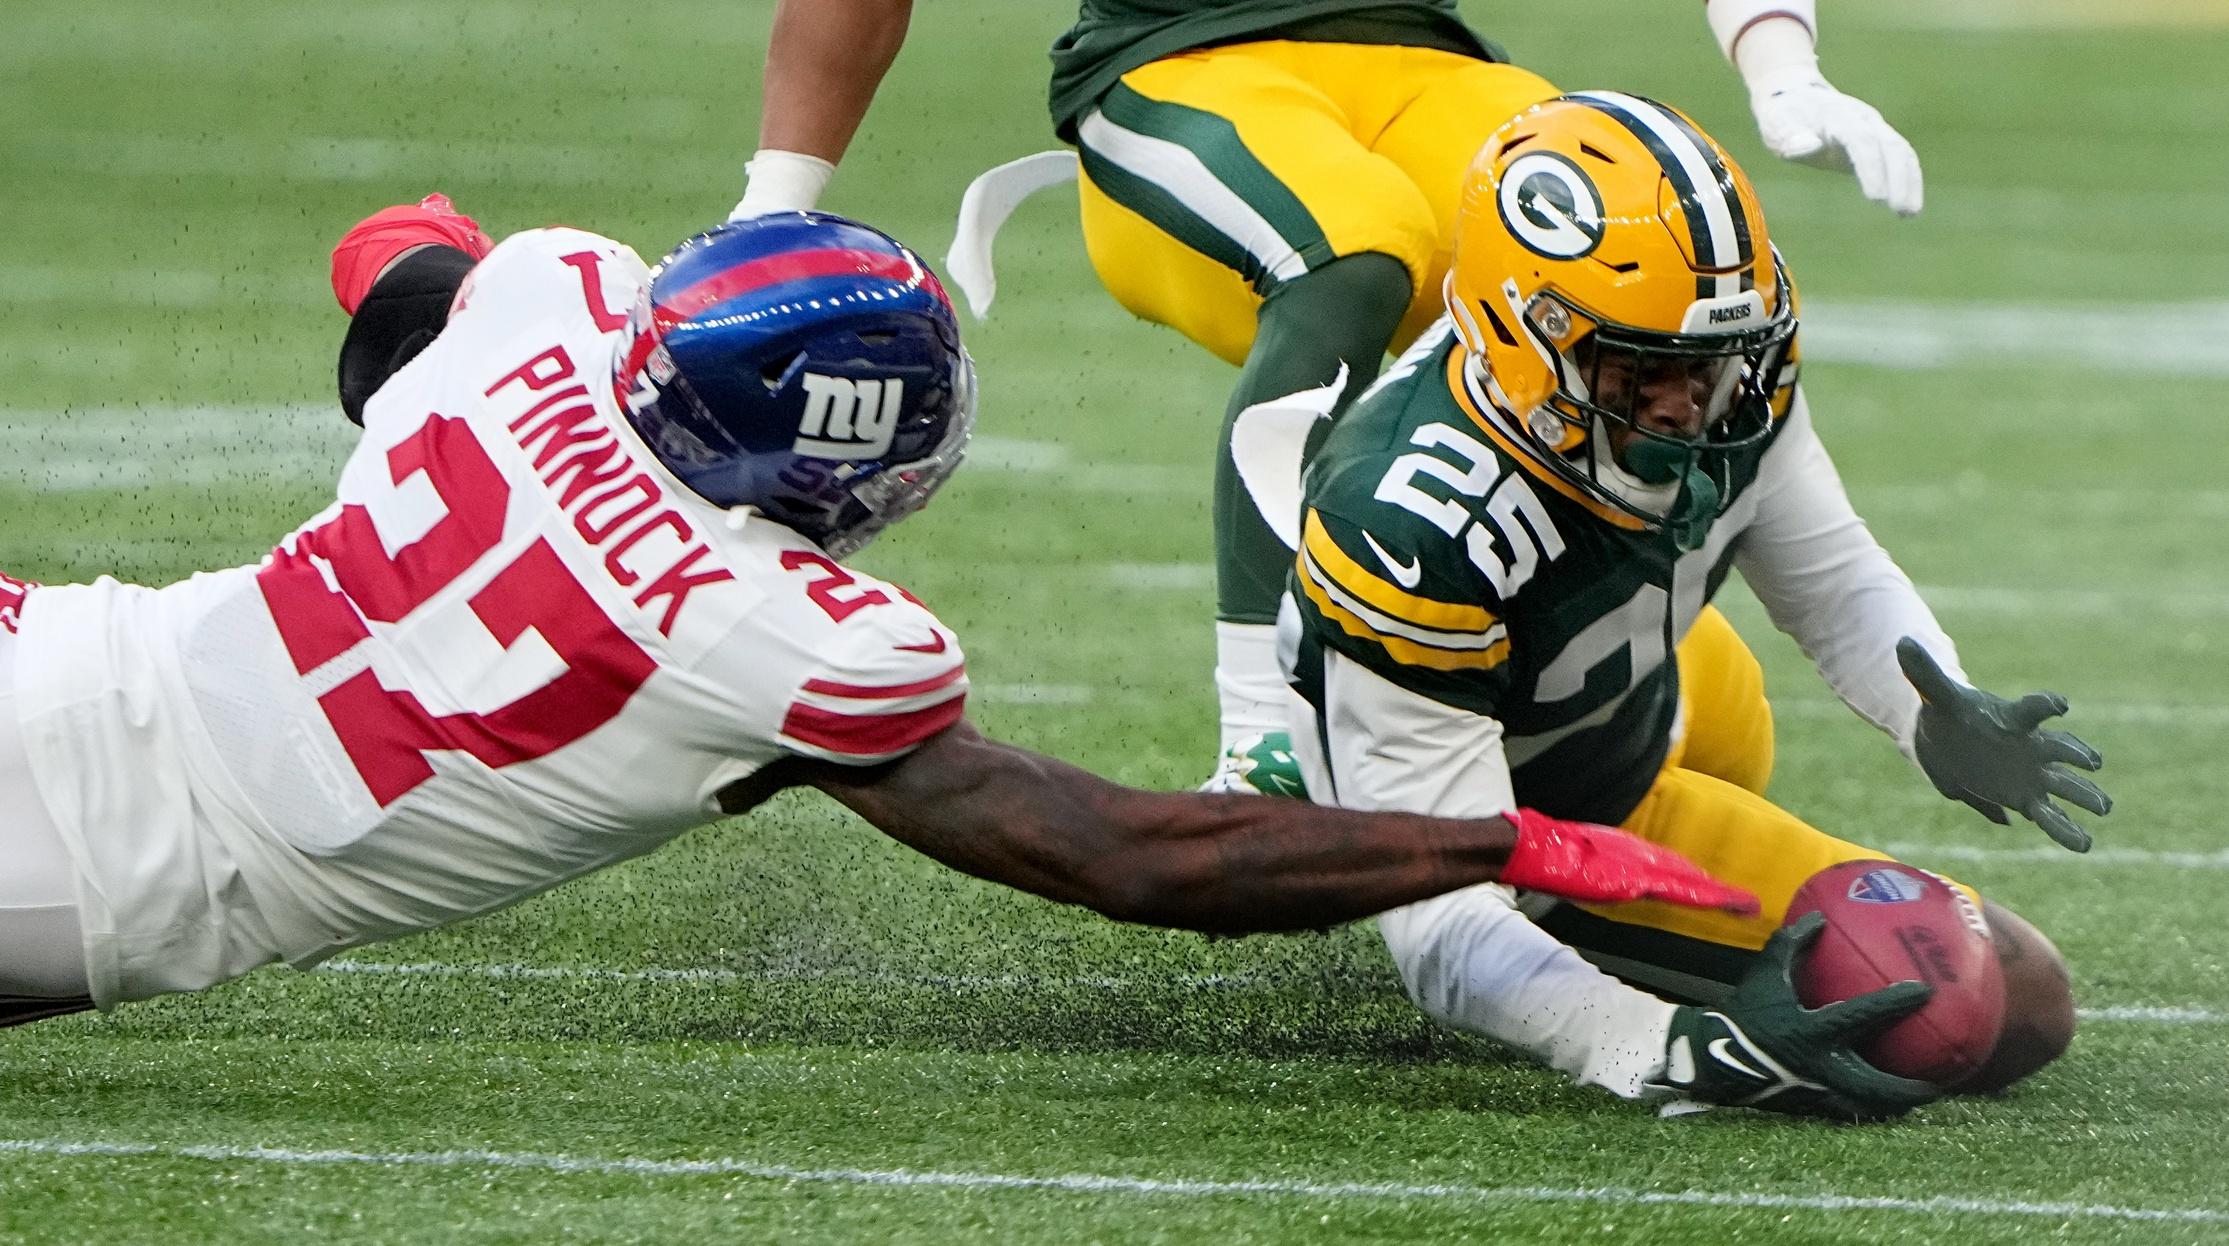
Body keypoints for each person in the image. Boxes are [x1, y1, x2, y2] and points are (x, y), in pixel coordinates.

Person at [0, 199, 1766, 1031]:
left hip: (54, 645)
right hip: (109, 868)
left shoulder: (543, 309)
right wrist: (1490, 842)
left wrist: (427, 354)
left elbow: (392, 260)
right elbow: (1140, 860)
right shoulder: (789, 641)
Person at [740, 0, 1924, 771]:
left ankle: (1587, 687)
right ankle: (1263, 736)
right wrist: (773, 200)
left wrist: (1781, 65)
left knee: (1662, 264)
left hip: (1423, 65)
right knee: (1353, 251)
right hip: (1178, 71)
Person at [1273, 92, 2110, 1117]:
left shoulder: (1730, 375)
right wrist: (1666, 1043)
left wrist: (1933, 710)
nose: (1685, 403)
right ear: (1521, 336)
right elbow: (1442, 925)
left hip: (1635, 683)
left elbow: (1833, 575)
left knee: (1994, 973)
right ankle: (1298, 783)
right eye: (1639, 368)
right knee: (1987, 1004)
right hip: (1530, 813)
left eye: (1706, 360)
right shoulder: (1408, 525)